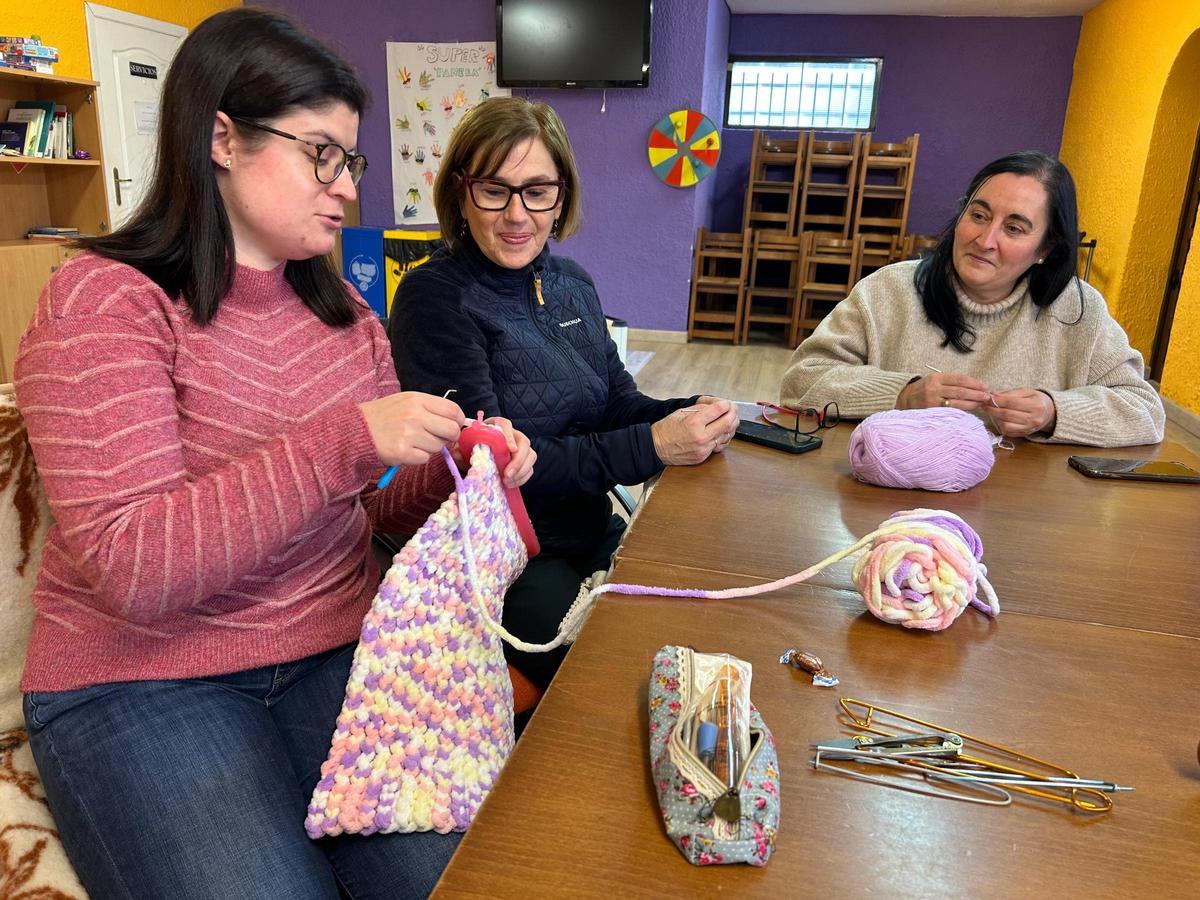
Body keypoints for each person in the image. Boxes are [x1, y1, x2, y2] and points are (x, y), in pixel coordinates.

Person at [14, 9, 534, 900]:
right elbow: (134, 567)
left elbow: (359, 512)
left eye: (351, 161)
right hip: (143, 682)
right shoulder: (103, 301)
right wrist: (344, 443)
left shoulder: (350, 321)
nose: (344, 187)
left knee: (472, 880)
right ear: (221, 136)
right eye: (320, 154)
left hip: (335, 652)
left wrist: (451, 476)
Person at [389, 97, 738, 688]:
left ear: (562, 195)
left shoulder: (571, 282)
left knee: (690, 630)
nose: (517, 214)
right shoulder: (434, 299)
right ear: (460, 192)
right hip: (511, 558)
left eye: (538, 190)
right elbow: (493, 471)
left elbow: (614, 403)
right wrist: (652, 445)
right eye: (494, 190)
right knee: (612, 679)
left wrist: (691, 412)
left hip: (589, 528)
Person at [780, 151, 1165, 447]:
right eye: (978, 215)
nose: (985, 240)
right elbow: (801, 382)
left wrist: (1053, 411)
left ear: (1046, 248)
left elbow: (1144, 410)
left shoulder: (1078, 310)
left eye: (1014, 228)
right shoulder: (888, 291)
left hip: (1026, 512)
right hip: (892, 503)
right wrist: (903, 394)